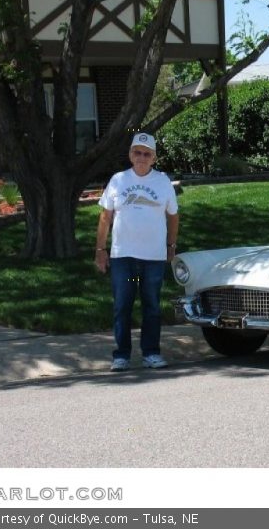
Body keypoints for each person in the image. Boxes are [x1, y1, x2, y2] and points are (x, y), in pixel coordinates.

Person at [94, 132, 179, 371]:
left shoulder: (162, 182)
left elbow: (173, 217)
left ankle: (151, 353)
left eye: (147, 153)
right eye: (137, 152)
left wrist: (171, 246)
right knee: (123, 305)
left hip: (152, 258)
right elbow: (105, 217)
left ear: (153, 157)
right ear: (131, 154)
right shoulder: (118, 180)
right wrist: (101, 249)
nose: (141, 157)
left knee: (151, 304)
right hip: (124, 258)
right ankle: (121, 355)